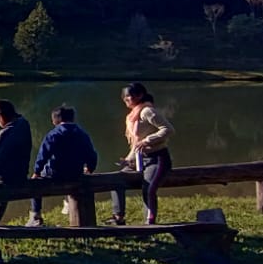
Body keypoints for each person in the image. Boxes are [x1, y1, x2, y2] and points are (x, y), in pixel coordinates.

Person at [110, 82, 174, 225]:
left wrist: (148, 140)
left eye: (129, 97)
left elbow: (168, 129)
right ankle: (118, 217)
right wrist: (128, 160)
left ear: (140, 96)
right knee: (116, 180)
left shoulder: (147, 111)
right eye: (124, 97)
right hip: (139, 159)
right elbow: (136, 143)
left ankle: (149, 222)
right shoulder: (132, 116)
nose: (126, 100)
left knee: (148, 188)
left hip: (157, 158)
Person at [32, 105, 99, 221]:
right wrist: (89, 168)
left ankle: (36, 215)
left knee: (34, 184)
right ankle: (68, 201)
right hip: (76, 173)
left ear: (55, 120)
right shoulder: (82, 134)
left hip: (55, 175)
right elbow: (92, 154)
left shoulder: (53, 135)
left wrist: (36, 171)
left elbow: (43, 155)